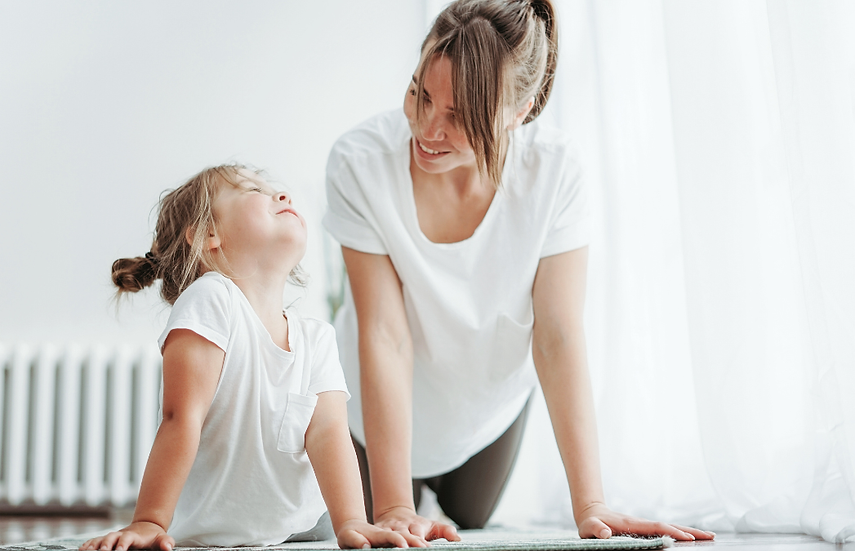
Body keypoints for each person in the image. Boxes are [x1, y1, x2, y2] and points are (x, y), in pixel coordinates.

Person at [322, 0, 715, 543]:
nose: (426, 128)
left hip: (488, 412)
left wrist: (591, 503)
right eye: (420, 92)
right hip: (371, 421)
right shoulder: (359, 162)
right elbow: (385, 335)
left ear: (521, 110)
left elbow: (556, 335)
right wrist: (393, 504)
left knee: (473, 523)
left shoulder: (555, 173)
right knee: (387, 530)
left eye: (459, 116)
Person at [81, 165, 422, 550]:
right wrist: (148, 521)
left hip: (305, 526)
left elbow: (329, 433)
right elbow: (180, 417)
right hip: (211, 530)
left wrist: (354, 522)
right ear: (208, 234)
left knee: (331, 514)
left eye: (274, 188)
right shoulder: (211, 300)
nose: (281, 195)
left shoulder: (317, 337)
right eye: (252, 189)